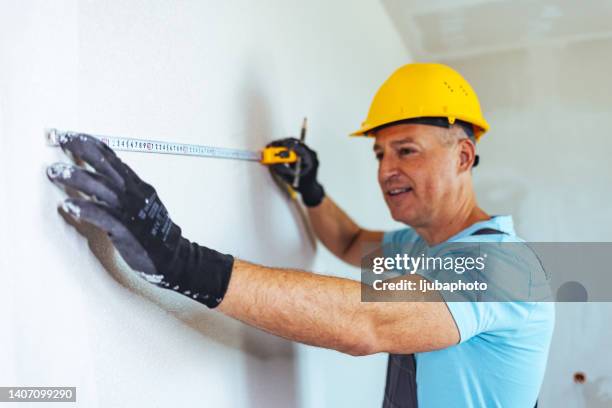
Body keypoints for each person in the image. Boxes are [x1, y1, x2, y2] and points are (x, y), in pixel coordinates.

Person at [47, 63, 555, 407]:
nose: (386, 170)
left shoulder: (505, 265)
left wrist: (181, 260)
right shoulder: (419, 247)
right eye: (380, 154)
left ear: (463, 156)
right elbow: (353, 242)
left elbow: (368, 322)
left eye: (407, 150)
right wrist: (309, 190)